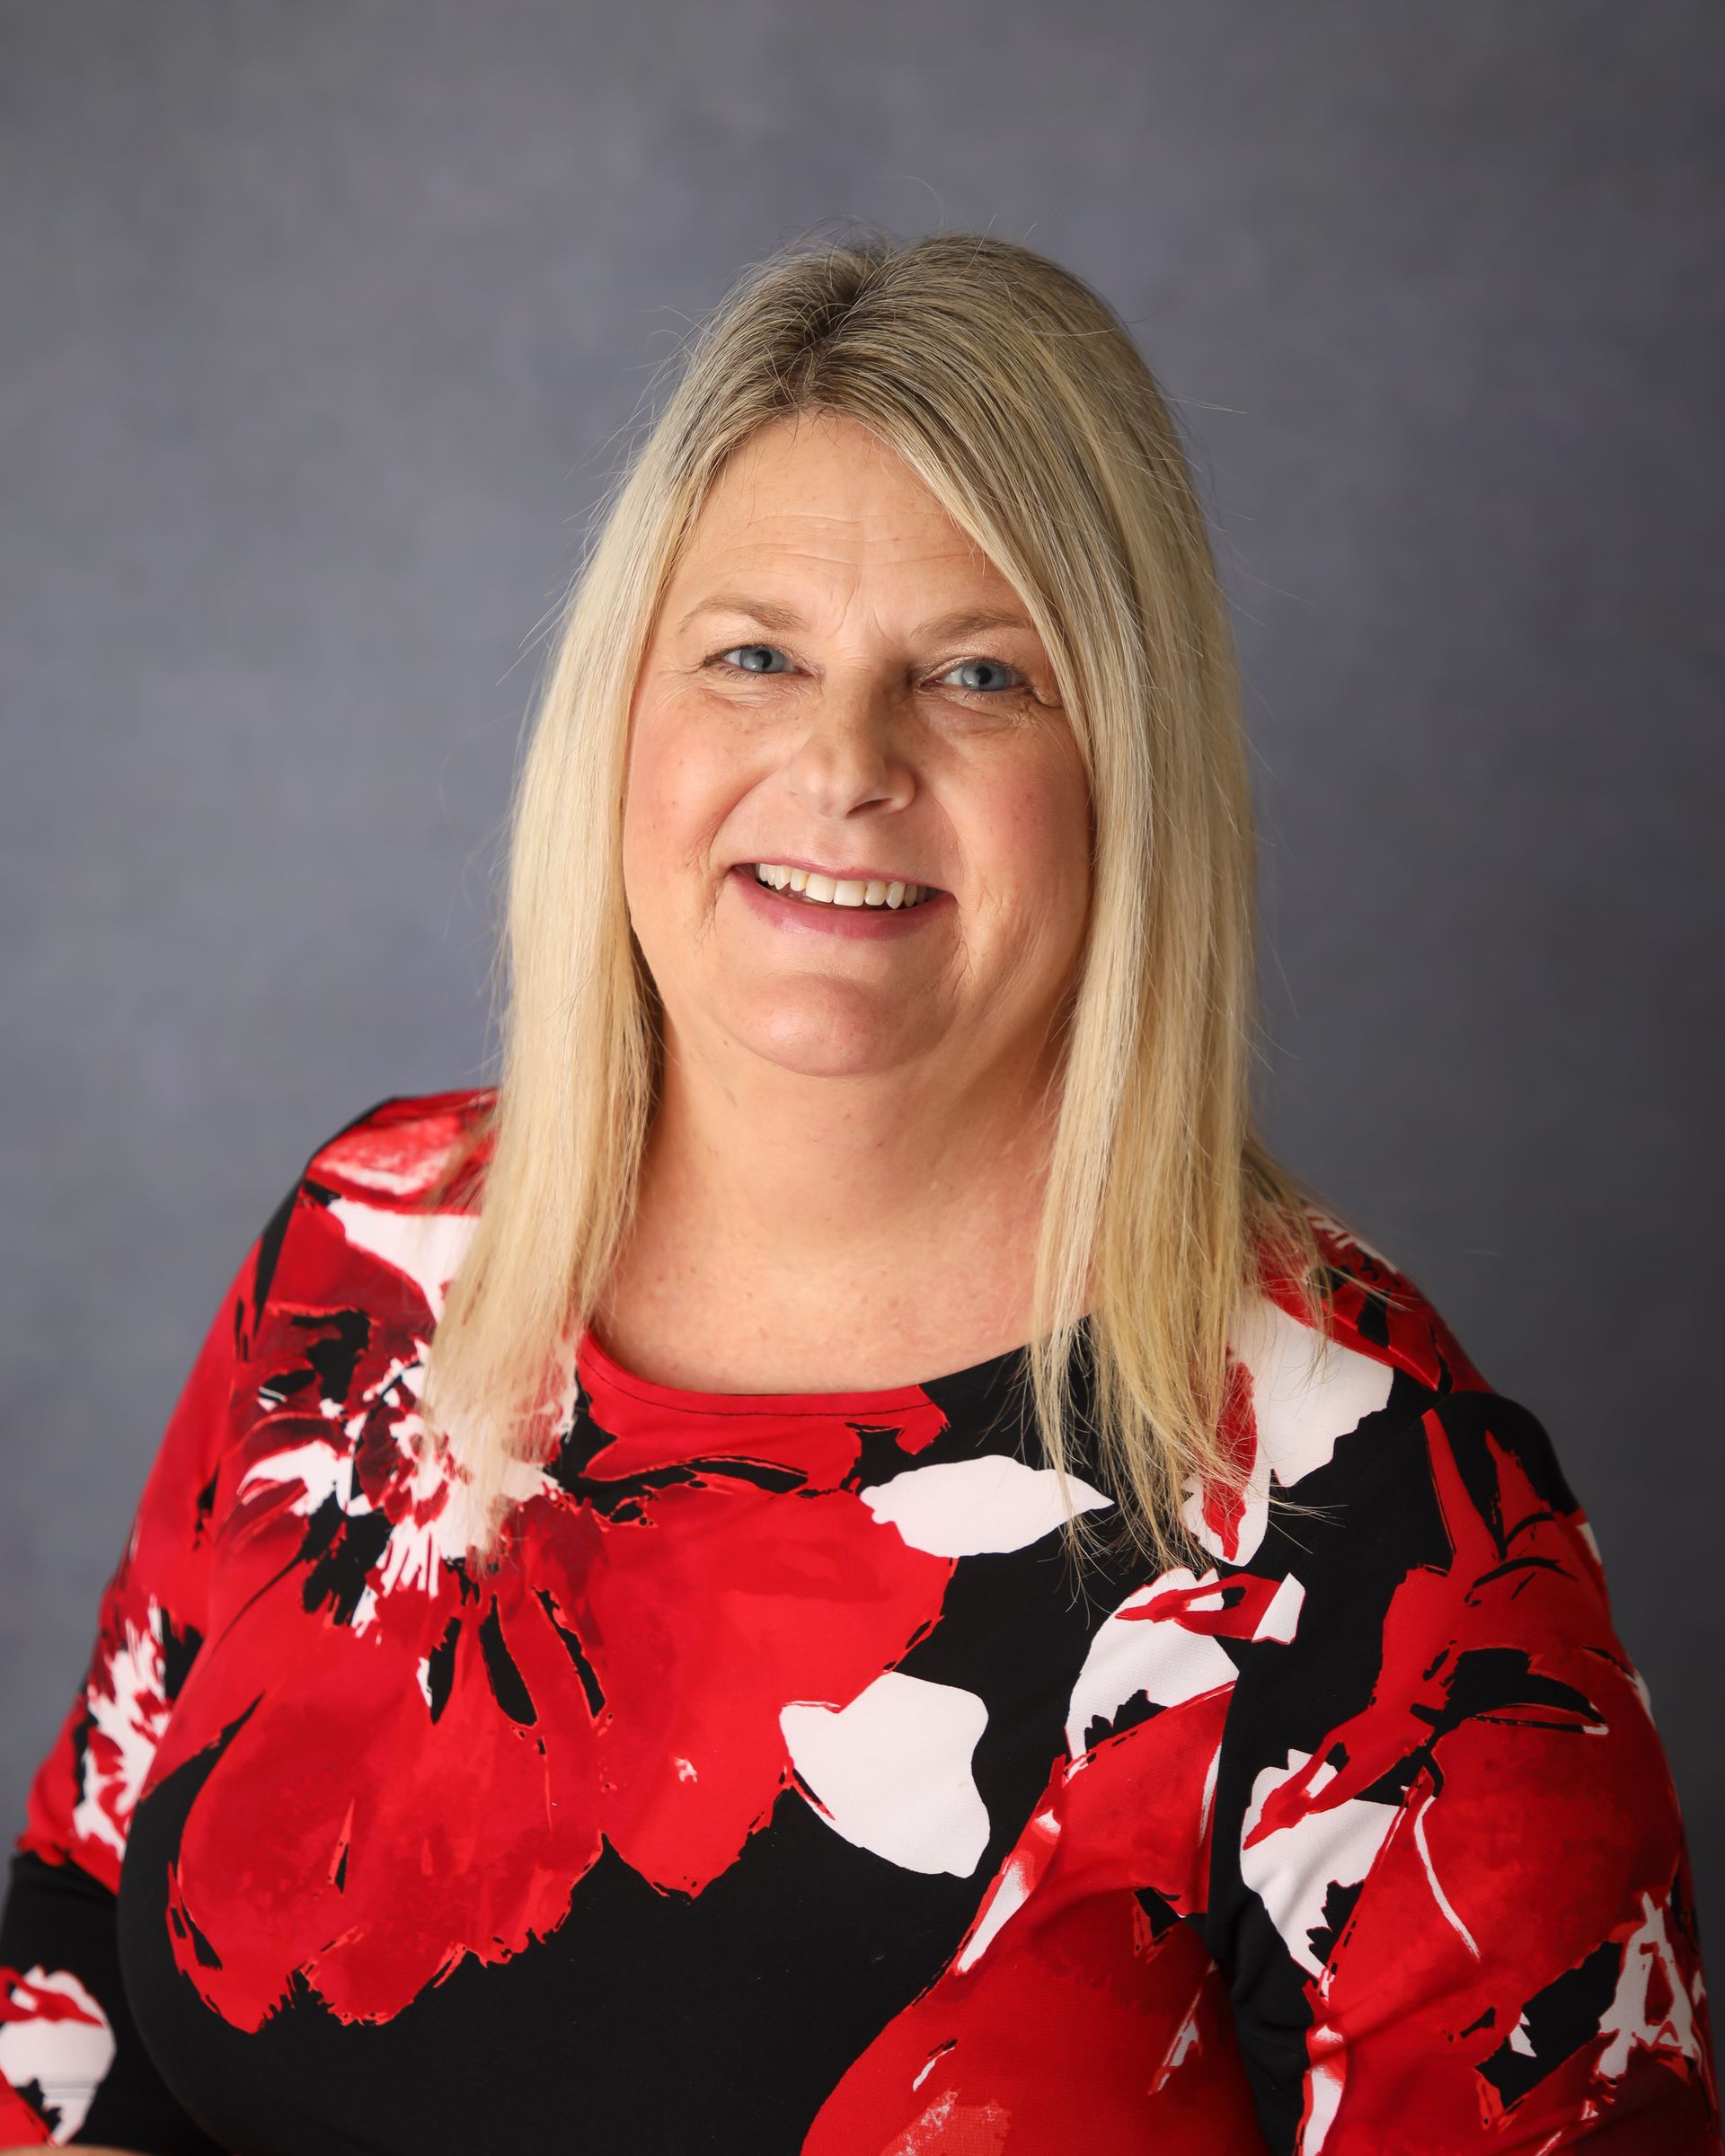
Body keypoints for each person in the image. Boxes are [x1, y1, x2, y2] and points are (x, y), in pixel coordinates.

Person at [0, 229, 1716, 2156]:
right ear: (624, 717)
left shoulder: (1382, 1518)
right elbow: (72, 1954)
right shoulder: (373, 1249)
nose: (844, 763)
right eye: (755, 655)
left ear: (1127, 771)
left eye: (978, 675)